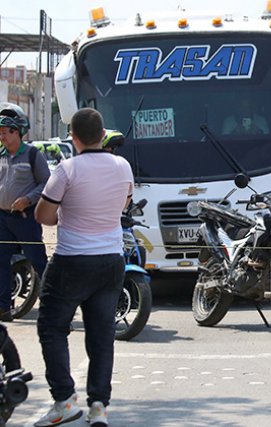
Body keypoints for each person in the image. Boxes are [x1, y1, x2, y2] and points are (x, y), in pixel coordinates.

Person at [34, 109, 133, 427]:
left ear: (73, 138)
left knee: (51, 327)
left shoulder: (66, 170)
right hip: (110, 261)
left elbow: (44, 217)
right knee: (102, 335)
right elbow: (124, 206)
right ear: (103, 134)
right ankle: (99, 407)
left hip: (72, 260)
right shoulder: (122, 166)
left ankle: (64, 400)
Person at [0, 103, 50, 322]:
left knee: (38, 261)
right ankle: (3, 308)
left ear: (16, 132)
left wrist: (28, 199)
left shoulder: (32, 155)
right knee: (1, 263)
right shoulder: (1, 155)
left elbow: (48, 183)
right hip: (2, 219)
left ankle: (54, 306)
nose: (1, 136)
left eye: (4, 132)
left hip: (25, 219)